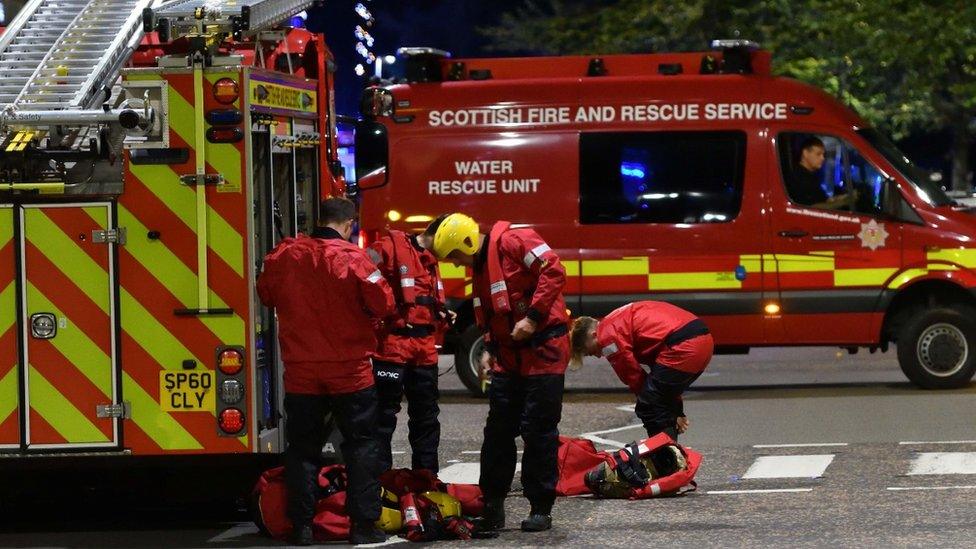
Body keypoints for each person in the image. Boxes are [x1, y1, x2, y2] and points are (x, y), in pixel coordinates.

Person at [257, 197, 395, 546]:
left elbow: (265, 293)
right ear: (349, 224)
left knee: (302, 448)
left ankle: (301, 526)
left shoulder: (285, 255)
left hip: (302, 370)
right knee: (362, 445)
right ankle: (363, 526)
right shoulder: (355, 259)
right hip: (350, 371)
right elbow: (384, 303)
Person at [429, 213, 569, 533]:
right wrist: (489, 350)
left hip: (543, 353)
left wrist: (533, 318)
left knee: (538, 431)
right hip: (508, 357)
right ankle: (492, 507)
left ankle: (540, 508)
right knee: (497, 433)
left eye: (455, 256)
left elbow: (553, 270)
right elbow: (493, 315)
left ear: (466, 242)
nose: (455, 264)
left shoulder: (516, 241)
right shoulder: (480, 267)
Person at [366, 217, 451, 474]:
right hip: (391, 344)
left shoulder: (429, 258)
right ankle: (379, 485)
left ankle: (426, 482)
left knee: (426, 419)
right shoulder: (387, 248)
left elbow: (427, 300)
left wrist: (442, 314)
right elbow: (361, 276)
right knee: (381, 420)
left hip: (424, 348)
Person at [570, 301, 713, 440]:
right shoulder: (615, 319)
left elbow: (633, 376)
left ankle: (665, 459)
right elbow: (662, 383)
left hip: (683, 346)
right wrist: (677, 410)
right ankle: (669, 455)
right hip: (702, 341)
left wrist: (662, 405)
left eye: (588, 351)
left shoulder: (606, 337)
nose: (597, 355)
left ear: (593, 334)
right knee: (658, 400)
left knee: (648, 405)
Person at [788, 136, 850, 210]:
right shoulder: (799, 178)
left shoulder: (810, 176)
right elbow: (812, 208)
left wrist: (844, 197)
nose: (822, 158)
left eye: (823, 154)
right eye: (818, 154)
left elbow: (824, 200)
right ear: (805, 153)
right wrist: (844, 202)